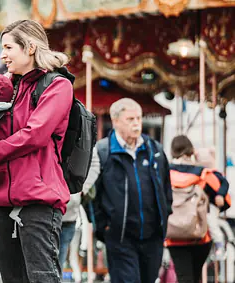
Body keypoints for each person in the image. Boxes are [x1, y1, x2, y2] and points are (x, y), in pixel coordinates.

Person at [0, 19, 74, 283]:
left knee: (42, 278)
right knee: (11, 278)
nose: (2, 55)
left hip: (39, 199)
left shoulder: (58, 86)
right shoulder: (3, 87)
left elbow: (34, 135)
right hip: (0, 198)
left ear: (31, 47)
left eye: (8, 47)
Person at [85, 98, 172, 283]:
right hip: (120, 237)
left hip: (152, 237)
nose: (136, 124)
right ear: (115, 121)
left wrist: (164, 217)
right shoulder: (102, 151)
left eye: (138, 118)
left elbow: (166, 188)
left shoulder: (153, 149)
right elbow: (91, 194)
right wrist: (104, 226)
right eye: (130, 119)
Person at [165, 135, 230, 283]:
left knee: (184, 276)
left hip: (173, 236)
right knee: (195, 276)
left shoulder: (164, 174)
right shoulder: (202, 174)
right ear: (191, 150)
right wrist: (219, 197)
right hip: (199, 237)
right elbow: (223, 192)